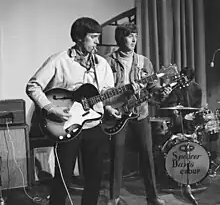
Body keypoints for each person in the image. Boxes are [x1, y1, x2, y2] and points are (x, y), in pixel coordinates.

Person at [26, 17, 115, 205]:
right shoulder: (59, 61)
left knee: (95, 177)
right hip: (65, 125)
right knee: (63, 177)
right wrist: (50, 108)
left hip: (93, 125)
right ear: (79, 38)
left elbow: (104, 94)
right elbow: (33, 86)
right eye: (93, 37)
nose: (97, 42)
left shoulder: (102, 64)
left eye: (98, 37)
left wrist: (108, 107)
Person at [104, 22, 168, 205]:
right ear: (120, 38)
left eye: (135, 36)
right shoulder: (108, 61)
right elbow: (104, 90)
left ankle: (153, 197)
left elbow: (153, 85)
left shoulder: (144, 61)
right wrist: (121, 94)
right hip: (117, 112)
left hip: (140, 113)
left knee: (147, 154)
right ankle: (113, 198)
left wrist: (160, 89)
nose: (134, 39)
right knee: (117, 155)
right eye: (129, 35)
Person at [160, 67, 202, 134]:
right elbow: (172, 102)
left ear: (191, 80)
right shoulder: (176, 87)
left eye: (186, 80)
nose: (183, 82)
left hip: (192, 116)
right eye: (182, 79)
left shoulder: (197, 88)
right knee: (177, 123)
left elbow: (198, 106)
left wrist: (193, 114)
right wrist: (175, 109)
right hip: (179, 116)